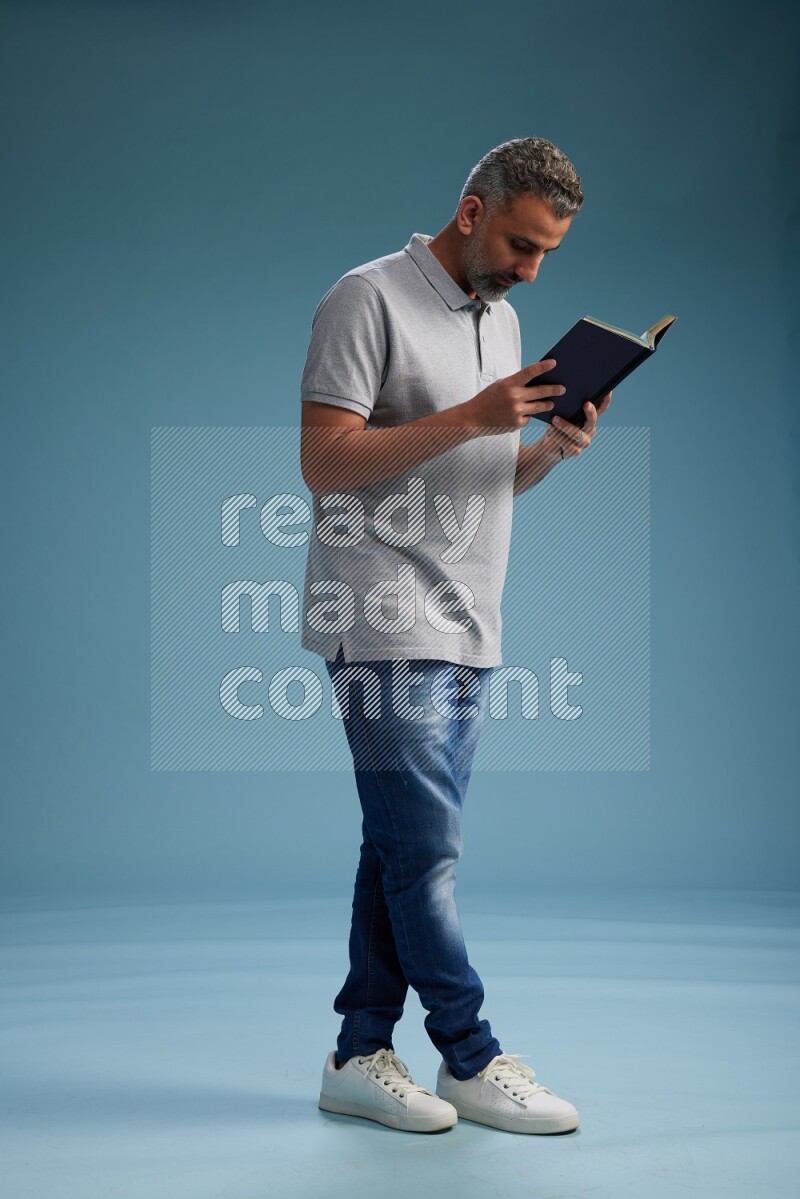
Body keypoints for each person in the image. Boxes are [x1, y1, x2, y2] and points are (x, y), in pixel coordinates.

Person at [299, 137, 612, 1135]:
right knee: (425, 851)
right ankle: (469, 1054)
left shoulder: (506, 317)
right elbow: (323, 459)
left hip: (470, 622)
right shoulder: (366, 299)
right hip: (382, 615)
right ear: (471, 212)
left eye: (546, 254)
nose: (530, 270)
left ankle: (358, 1050)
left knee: (398, 847)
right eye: (520, 244)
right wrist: (476, 414)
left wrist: (545, 452)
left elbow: (478, 476)